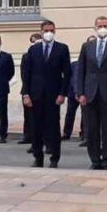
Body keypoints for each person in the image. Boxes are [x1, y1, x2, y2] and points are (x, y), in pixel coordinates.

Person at [77, 16, 107, 170]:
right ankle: (94, 159)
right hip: (90, 92)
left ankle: (106, 159)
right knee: (91, 129)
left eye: (105, 25)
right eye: (99, 25)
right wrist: (81, 93)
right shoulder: (87, 46)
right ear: (95, 28)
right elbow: (81, 70)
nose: (102, 28)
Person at [22, 21, 70, 168]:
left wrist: (62, 93)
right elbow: (27, 73)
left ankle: (54, 157)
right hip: (36, 95)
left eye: (51, 30)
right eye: (46, 30)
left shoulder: (62, 48)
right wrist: (26, 94)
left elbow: (67, 74)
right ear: (41, 32)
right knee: (36, 127)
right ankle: (38, 156)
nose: (49, 33)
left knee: (53, 127)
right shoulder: (34, 50)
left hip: (53, 95)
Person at [18, 33, 42, 146]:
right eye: (33, 42)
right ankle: (28, 136)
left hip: (42, 91)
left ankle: (42, 140)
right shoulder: (26, 56)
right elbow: (24, 74)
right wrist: (25, 93)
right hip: (28, 90)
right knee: (28, 116)